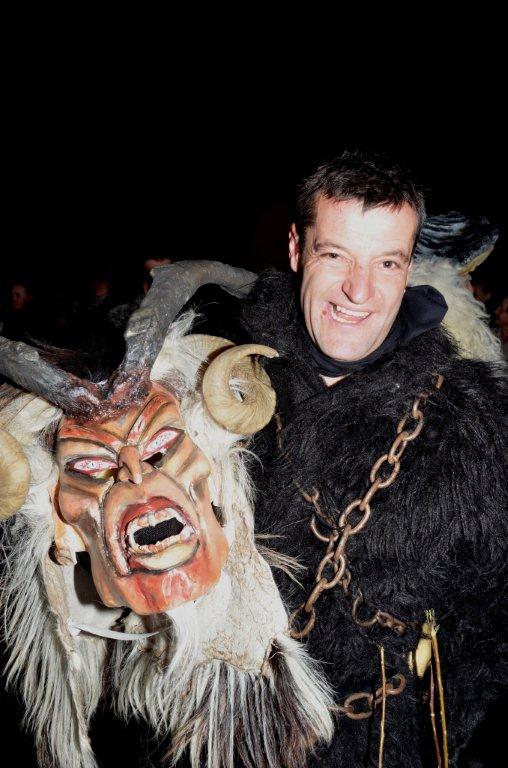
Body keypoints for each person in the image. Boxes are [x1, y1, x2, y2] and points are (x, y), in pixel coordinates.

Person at [231, 151, 506, 767]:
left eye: (387, 262)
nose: (360, 291)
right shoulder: (211, 386)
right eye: (336, 256)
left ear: (409, 267)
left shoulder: (473, 426)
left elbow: (494, 632)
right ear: (297, 249)